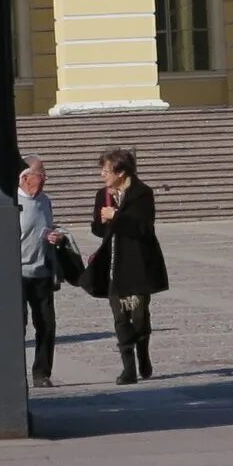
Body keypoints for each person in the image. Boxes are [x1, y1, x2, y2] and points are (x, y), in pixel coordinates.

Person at [91, 148, 168, 385]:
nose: (102, 174)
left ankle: (142, 351)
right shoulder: (102, 195)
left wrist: (116, 216)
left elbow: (143, 228)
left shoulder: (142, 194)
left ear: (121, 172)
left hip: (138, 263)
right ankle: (129, 368)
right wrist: (102, 222)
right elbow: (98, 230)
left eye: (106, 170)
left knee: (139, 316)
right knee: (120, 318)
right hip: (115, 265)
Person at [18, 159, 63, 387]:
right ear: (26, 178)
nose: (45, 178)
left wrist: (54, 236)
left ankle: (41, 373)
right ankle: (16, 375)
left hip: (42, 272)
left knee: (46, 325)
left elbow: (48, 227)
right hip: (18, 274)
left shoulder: (45, 201)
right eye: (41, 174)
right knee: (18, 325)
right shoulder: (12, 201)